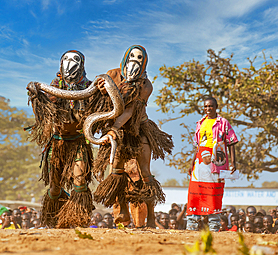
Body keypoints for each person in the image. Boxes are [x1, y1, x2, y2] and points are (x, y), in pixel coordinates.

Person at [89, 45, 174, 228]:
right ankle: (122, 212)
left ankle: (150, 217)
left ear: (144, 63)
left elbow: (129, 110)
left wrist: (114, 128)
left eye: (140, 58)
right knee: (117, 171)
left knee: (145, 173)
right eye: (132, 56)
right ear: (126, 58)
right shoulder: (112, 74)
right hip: (116, 127)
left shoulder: (146, 85)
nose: (135, 60)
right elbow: (98, 95)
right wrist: (101, 89)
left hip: (138, 128)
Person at [27, 50, 94, 228]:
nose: (69, 63)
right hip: (58, 143)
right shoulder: (55, 85)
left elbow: (99, 105)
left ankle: (77, 218)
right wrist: (36, 94)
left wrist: (101, 89)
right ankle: (53, 216)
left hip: (78, 142)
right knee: (54, 188)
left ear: (82, 65)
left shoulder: (90, 86)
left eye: (74, 60)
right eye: (66, 60)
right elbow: (45, 109)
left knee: (80, 181)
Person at [186, 97, 238, 232]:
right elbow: (197, 146)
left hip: (217, 162)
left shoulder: (223, 123)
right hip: (199, 162)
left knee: (214, 192)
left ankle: (214, 225)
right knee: (195, 192)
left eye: (211, 106)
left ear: (216, 107)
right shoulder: (200, 123)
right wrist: (192, 163)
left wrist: (233, 162)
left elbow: (231, 142)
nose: (208, 109)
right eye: (206, 106)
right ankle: (192, 224)